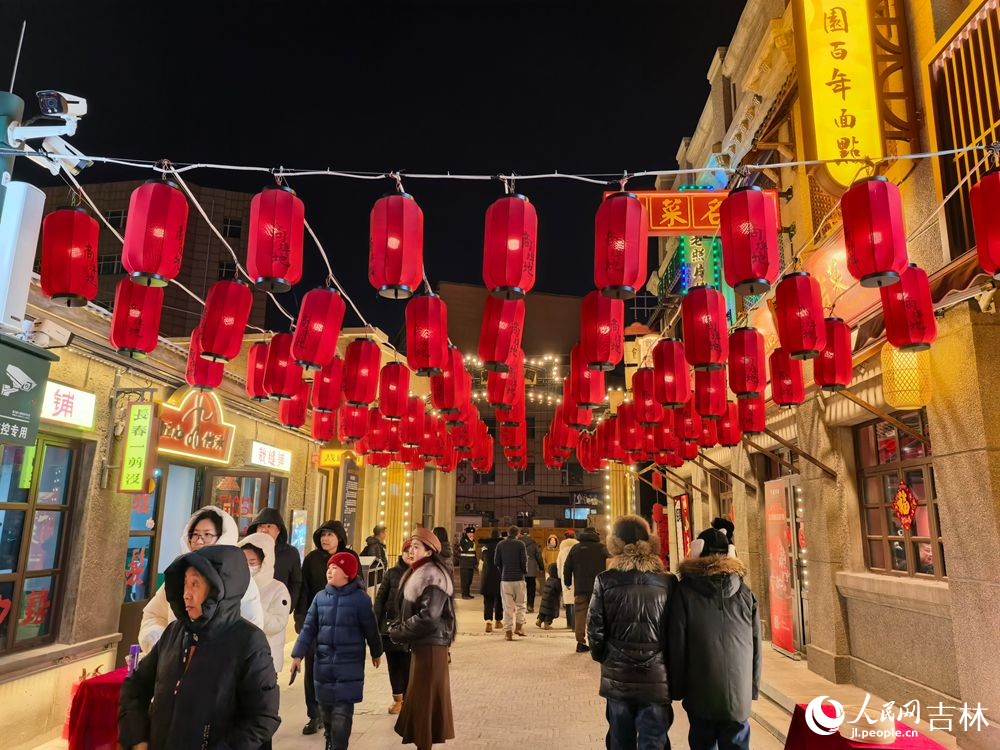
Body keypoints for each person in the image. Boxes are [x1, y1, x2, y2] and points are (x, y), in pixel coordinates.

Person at [118, 546, 280, 749]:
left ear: (219, 589)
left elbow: (262, 717)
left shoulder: (249, 642)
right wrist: (137, 736)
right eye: (185, 583)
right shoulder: (174, 633)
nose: (186, 594)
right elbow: (135, 686)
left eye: (195, 584)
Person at [588, 515, 677, 750]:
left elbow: (595, 629)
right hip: (657, 676)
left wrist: (604, 656)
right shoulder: (668, 582)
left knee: (620, 740)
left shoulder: (605, 580)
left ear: (615, 543)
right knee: (654, 741)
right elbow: (675, 631)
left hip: (618, 676)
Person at [669, 528, 761, 750]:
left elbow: (677, 644)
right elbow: (756, 644)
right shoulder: (745, 593)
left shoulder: (685, 591)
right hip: (738, 694)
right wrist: (752, 687)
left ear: (697, 552)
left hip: (700, 692)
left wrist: (677, 689)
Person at [138, 506, 263, 655]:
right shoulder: (179, 577)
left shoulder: (240, 581)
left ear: (223, 537)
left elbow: (251, 627)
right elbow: (154, 614)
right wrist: (156, 639)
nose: (199, 540)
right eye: (195, 535)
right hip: (176, 663)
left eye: (207, 534)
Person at [291, 553, 383, 750]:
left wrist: (377, 651)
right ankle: (330, 741)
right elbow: (309, 628)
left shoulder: (361, 600)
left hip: (348, 668)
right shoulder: (320, 597)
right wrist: (297, 654)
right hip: (323, 667)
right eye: (329, 568)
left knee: (342, 715)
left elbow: (371, 628)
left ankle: (337, 746)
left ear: (348, 574)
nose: (329, 571)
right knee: (327, 713)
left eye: (335, 568)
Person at [388, 527, 456, 750]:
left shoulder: (432, 575)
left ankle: (423, 746)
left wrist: (399, 631)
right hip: (424, 646)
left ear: (429, 552)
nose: (411, 550)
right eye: (410, 547)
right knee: (420, 701)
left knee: (424, 703)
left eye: (416, 547)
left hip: (431, 647)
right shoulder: (418, 572)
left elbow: (429, 617)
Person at [296, 519, 361, 735]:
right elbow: (303, 590)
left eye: (330, 535)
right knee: (312, 670)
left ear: (340, 538)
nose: (325, 538)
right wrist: (300, 618)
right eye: (323, 534)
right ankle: (314, 716)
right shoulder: (312, 559)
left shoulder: (350, 558)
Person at [238, 532, 292, 676]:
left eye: (252, 562)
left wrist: (252, 607)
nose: (247, 567)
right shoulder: (234, 585)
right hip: (236, 659)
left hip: (264, 661)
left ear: (264, 563)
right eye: (243, 561)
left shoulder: (278, 589)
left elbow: (277, 624)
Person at [374, 542, 414, 715]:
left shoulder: (422, 574)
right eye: (407, 551)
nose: (410, 554)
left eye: (414, 550)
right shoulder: (391, 573)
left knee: (409, 665)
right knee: (394, 665)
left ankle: (410, 699)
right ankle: (398, 699)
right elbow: (380, 600)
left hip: (412, 629)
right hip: (391, 628)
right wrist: (376, 625)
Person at [563, 526, 608, 653]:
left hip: (581, 587)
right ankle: (597, 642)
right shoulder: (602, 548)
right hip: (598, 588)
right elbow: (610, 564)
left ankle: (580, 642)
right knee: (598, 615)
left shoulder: (576, 548)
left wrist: (567, 582)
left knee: (580, 614)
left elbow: (567, 567)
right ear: (595, 535)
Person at [246, 507, 303, 606]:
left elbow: (296, 583)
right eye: (260, 526)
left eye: (269, 526)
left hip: (277, 606)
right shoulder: (247, 551)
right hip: (248, 605)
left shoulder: (291, 553)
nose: (264, 530)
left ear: (278, 530)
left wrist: (288, 605)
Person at [495, 525, 528, 641]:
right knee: (521, 605)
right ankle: (518, 627)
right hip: (519, 579)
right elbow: (524, 561)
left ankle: (508, 632)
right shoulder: (520, 544)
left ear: (508, 533)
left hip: (505, 580)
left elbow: (496, 562)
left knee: (507, 607)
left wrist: (503, 571)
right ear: (517, 534)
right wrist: (524, 572)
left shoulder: (500, 545)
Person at [479, 528, 504, 632]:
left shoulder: (485, 548)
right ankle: (498, 622)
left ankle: (488, 622)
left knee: (488, 600)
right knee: (499, 600)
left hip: (487, 577)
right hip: (499, 577)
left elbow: (481, 563)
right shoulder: (502, 548)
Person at [556, 531, 579, 629]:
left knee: (568, 601)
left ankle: (569, 623)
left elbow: (559, 565)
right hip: (577, 577)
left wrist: (560, 576)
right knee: (576, 601)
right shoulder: (578, 549)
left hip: (565, 577)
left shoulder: (562, 551)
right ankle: (575, 624)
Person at [520, 530, 545, 613]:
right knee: (531, 589)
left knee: (521, 589)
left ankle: (521, 606)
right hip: (531, 569)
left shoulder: (518, 543)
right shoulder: (534, 544)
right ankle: (530, 606)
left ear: (520, 534)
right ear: (529, 534)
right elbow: (538, 556)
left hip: (521, 569)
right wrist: (541, 568)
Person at [535, 563, 562, 630]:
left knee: (543, 612)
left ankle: (539, 621)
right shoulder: (556, 581)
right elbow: (559, 590)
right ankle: (547, 624)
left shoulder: (548, 579)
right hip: (552, 601)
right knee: (550, 613)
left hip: (545, 600)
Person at [457, 526, 478, 599]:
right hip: (464, 563)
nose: (471, 534)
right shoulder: (463, 540)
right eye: (469, 533)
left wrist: (475, 562)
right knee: (465, 580)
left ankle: (468, 594)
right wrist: (470, 541)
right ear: (466, 533)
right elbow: (465, 549)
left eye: (472, 533)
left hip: (471, 564)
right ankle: (464, 594)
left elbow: (474, 552)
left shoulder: (473, 540)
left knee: (469, 580)